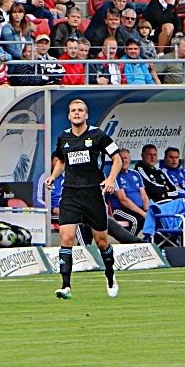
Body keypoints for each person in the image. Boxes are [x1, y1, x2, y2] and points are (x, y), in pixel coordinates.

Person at [43, 99, 122, 300]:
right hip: (70, 194)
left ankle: (110, 274)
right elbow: (61, 161)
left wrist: (110, 179)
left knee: (101, 241)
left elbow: (117, 159)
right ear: (69, 116)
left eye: (80, 110)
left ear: (86, 115)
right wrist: (53, 176)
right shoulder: (63, 138)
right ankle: (66, 285)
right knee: (66, 238)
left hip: (93, 193)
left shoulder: (98, 136)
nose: (76, 113)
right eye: (73, 111)